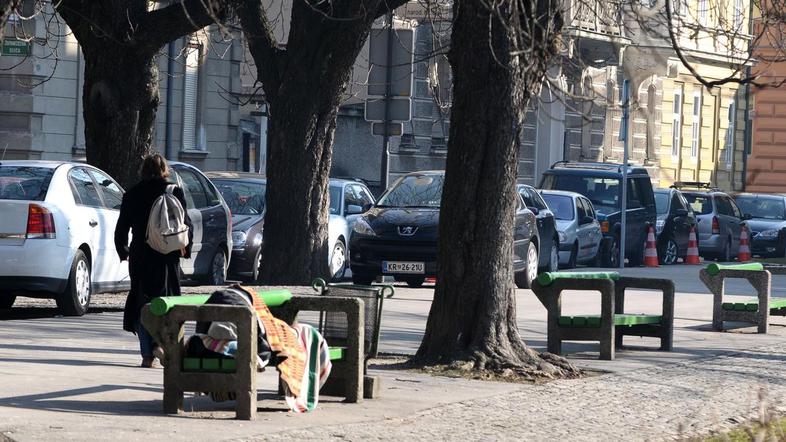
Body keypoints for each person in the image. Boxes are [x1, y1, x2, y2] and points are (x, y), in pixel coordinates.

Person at [115, 153, 193, 367]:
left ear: (143, 170)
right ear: (164, 170)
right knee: (169, 302)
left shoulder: (132, 194)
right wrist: (186, 249)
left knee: (142, 302)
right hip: (168, 256)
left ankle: (147, 355)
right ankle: (162, 342)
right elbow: (185, 223)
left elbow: (122, 227)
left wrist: (123, 251)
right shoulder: (174, 191)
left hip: (141, 254)